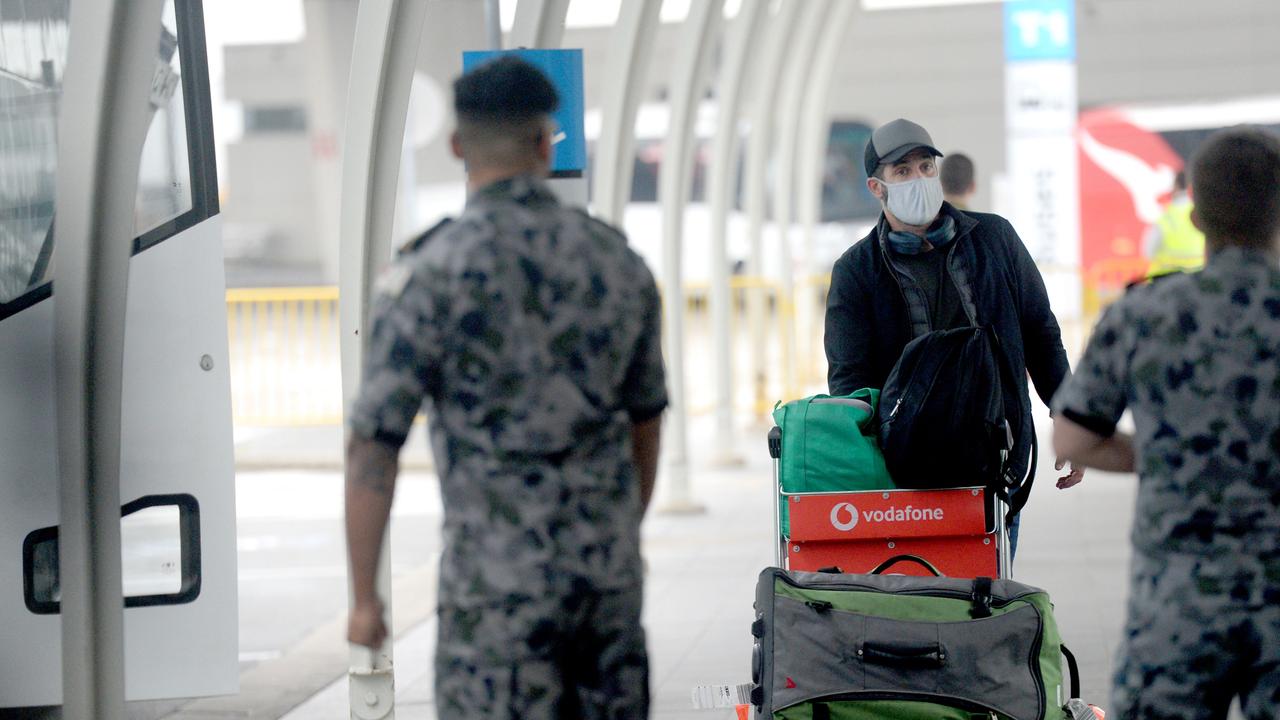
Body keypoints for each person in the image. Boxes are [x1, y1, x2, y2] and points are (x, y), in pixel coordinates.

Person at [344, 56, 667, 719]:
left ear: (459, 145)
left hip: (494, 597)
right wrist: (615, 539)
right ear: (547, 144)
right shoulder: (617, 263)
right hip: (603, 589)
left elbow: (373, 447)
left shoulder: (431, 273)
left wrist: (365, 599)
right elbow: (646, 423)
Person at [1052, 126, 1280, 720]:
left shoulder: (1144, 313)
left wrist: (1164, 449)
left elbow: (1073, 436)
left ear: (1197, 217)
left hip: (1177, 608)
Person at [824, 118, 1083, 552]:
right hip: (906, 477)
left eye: (925, 167)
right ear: (876, 187)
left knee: (989, 600)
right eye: (902, 172)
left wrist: (1070, 416)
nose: (919, 179)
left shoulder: (995, 240)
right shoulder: (857, 272)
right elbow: (849, 382)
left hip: (996, 461)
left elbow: (1041, 333)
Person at [1144, 169, 1206, 277]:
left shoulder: (1166, 217)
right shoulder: (1203, 214)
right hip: (1198, 280)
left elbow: (1148, 251)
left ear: (1176, 186)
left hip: (1164, 283)